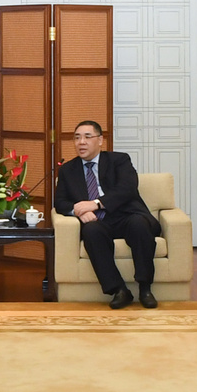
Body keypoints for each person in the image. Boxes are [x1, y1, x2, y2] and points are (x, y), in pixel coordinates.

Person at [54, 120, 161, 310]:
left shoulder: (119, 160)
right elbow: (60, 202)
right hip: (97, 221)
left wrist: (95, 204)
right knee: (91, 232)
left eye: (87, 137)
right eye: (77, 138)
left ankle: (145, 288)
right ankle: (119, 290)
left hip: (126, 215)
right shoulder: (68, 170)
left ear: (100, 140)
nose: (81, 142)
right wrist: (78, 210)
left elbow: (127, 189)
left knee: (139, 225)